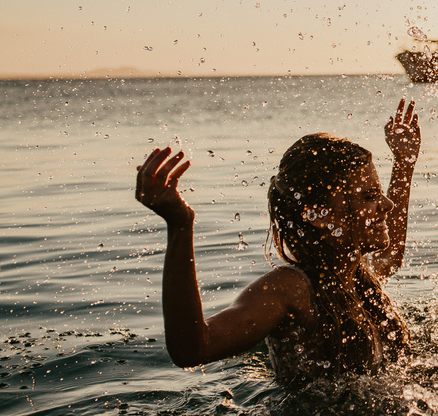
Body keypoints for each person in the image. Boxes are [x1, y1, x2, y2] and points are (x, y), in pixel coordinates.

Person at [135, 98, 421, 386]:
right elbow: (193, 349)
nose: (387, 204)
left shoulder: (354, 274)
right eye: (369, 196)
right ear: (317, 214)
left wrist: (404, 163)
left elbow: (390, 257)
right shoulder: (290, 289)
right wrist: (180, 224)